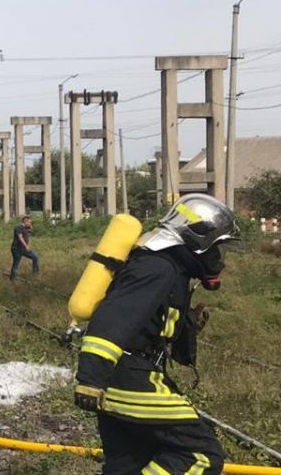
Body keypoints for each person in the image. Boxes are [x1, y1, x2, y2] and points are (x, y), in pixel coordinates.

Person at [73, 194, 237, 474]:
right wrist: (90, 377)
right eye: (216, 249)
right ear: (198, 239)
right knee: (202, 453)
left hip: (118, 377)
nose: (217, 259)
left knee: (128, 462)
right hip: (131, 379)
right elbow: (114, 317)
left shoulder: (168, 267)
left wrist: (186, 324)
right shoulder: (158, 268)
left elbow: (149, 320)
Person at [10, 215, 40, 279]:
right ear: (25, 222)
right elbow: (20, 237)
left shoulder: (26, 228)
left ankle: (35, 275)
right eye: (29, 222)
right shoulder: (18, 227)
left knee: (35, 257)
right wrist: (26, 246)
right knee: (16, 264)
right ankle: (12, 279)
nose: (30, 224)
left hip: (23, 249)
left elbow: (28, 234)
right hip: (16, 249)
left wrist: (30, 228)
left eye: (31, 222)